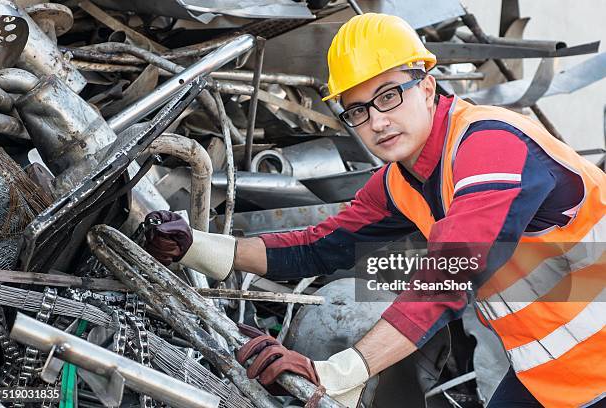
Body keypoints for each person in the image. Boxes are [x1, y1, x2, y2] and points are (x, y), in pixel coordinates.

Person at [144, 13, 606, 408]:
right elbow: (318, 248)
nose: (377, 121)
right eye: (357, 110)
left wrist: (341, 372)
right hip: (554, 374)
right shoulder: (402, 180)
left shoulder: (490, 146)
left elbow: (450, 275)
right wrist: (196, 246)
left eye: (388, 96)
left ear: (426, 87)